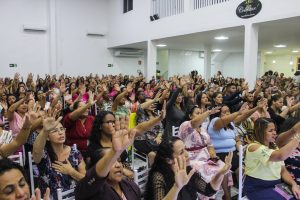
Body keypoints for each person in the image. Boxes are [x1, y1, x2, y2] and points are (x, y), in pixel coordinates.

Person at [145, 136, 233, 200]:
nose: (187, 154)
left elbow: (208, 190)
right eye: (181, 152)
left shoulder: (187, 170)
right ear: (169, 160)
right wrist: (176, 187)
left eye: (185, 149)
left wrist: (221, 173)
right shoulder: (158, 176)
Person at [75, 115, 141, 200]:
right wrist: (115, 151)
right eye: (112, 161)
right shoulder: (89, 190)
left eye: (119, 160)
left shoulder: (130, 185)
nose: (118, 165)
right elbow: (94, 176)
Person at [243, 118, 300, 200]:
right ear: (261, 132)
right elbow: (281, 156)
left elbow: (283, 170)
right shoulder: (254, 147)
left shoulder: (273, 145)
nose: (274, 133)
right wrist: (297, 137)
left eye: (274, 130)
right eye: (270, 131)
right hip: (257, 188)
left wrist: (293, 184)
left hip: (275, 185)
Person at [33, 113, 86, 200]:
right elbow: (36, 151)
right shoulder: (44, 154)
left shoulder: (74, 152)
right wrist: (45, 130)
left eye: (62, 129)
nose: (60, 133)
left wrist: (71, 171)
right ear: (47, 137)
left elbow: (86, 180)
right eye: (54, 131)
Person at [63, 91, 95, 157]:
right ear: (75, 110)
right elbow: (71, 116)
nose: (86, 109)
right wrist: (87, 105)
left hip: (89, 152)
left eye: (87, 108)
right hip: (73, 152)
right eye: (82, 107)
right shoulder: (69, 117)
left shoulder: (91, 119)